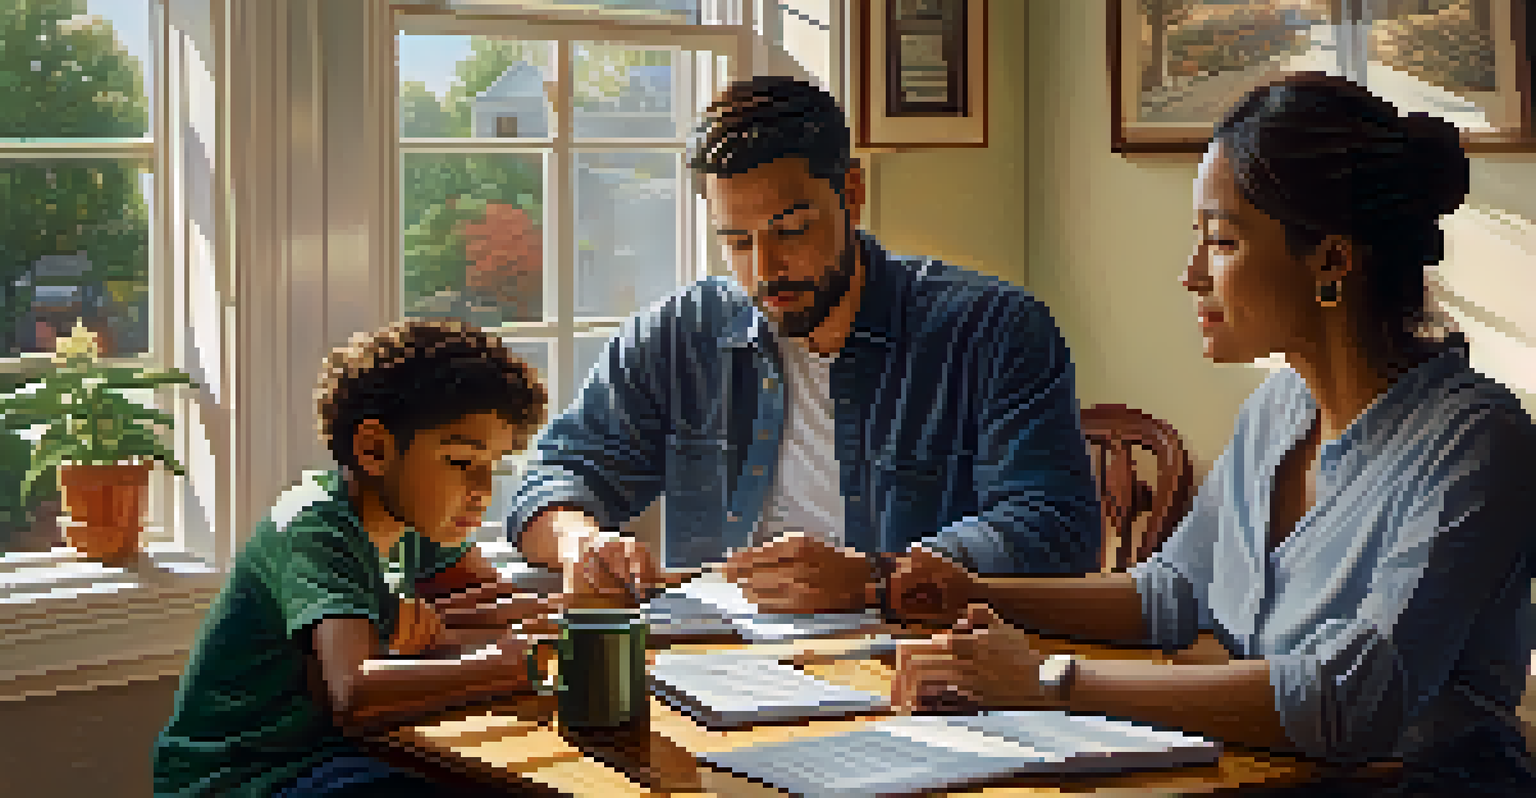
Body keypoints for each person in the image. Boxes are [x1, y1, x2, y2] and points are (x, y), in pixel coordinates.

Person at [887, 72, 1536, 796]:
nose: (1191, 274)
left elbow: (1351, 704)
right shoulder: (1277, 412)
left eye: (1222, 242)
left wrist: (1051, 678)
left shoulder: (1479, 445)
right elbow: (1172, 593)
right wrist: (976, 592)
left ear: (1331, 259)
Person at [509, 76, 1101, 613]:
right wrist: (581, 542)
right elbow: (554, 479)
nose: (766, 269)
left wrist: (879, 577)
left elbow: (1056, 528)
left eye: (791, 231)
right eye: (737, 242)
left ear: (851, 193)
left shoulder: (992, 330)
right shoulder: (676, 338)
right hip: (719, 661)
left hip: (923, 660)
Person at [153, 320, 553, 798]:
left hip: (339, 754)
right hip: (247, 777)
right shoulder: (315, 527)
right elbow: (354, 691)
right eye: (463, 463)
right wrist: (508, 662)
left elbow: (494, 602)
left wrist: (591, 615)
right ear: (374, 450)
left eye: (496, 466)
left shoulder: (415, 520)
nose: (483, 492)